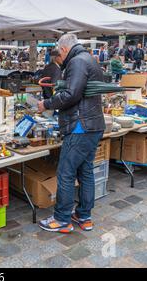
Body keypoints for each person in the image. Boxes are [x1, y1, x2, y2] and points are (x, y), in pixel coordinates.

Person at [37, 34, 105, 233]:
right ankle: (84, 216)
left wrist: (46, 104)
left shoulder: (76, 62)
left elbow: (71, 94)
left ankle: (62, 219)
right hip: (92, 125)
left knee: (65, 173)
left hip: (80, 126)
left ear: (65, 49)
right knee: (85, 171)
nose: (60, 56)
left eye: (60, 52)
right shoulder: (89, 59)